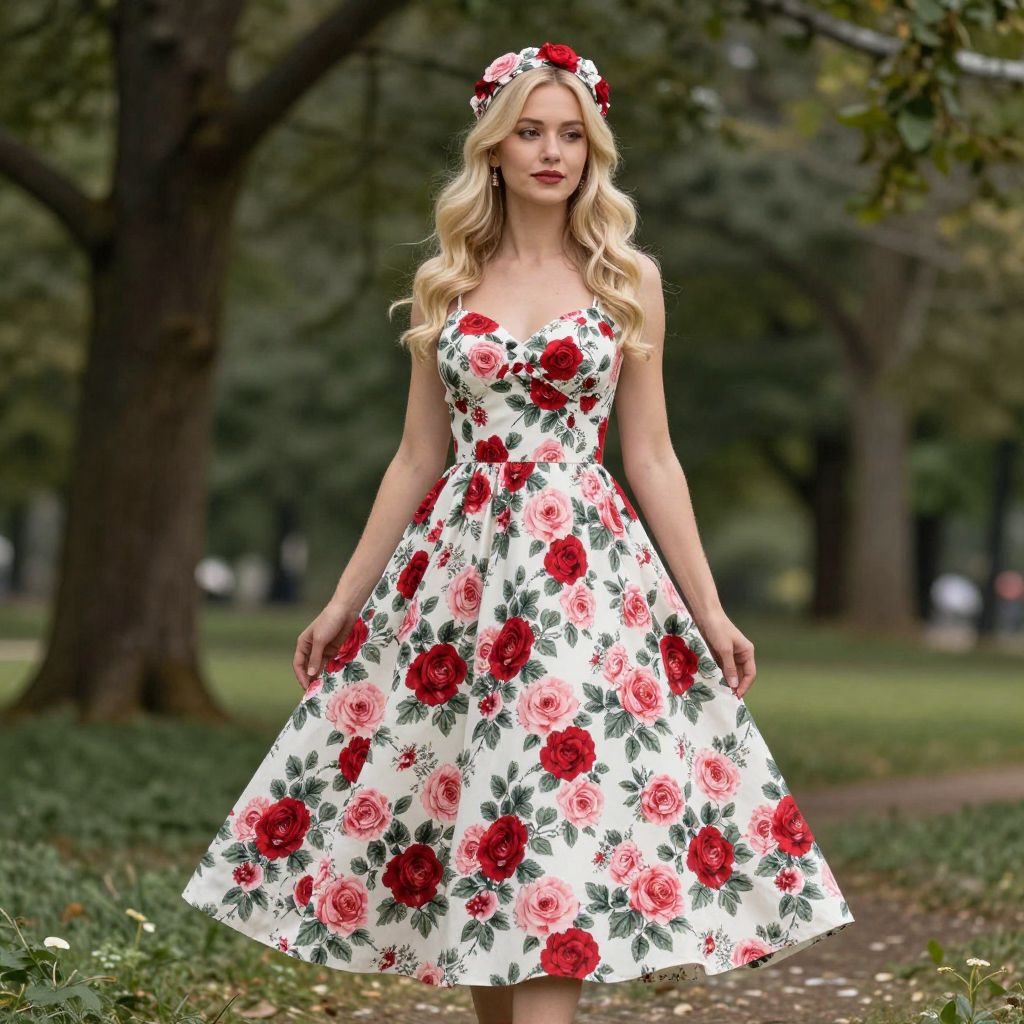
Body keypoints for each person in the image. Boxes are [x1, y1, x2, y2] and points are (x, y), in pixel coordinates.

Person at [181, 42, 854, 1024]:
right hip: (459, 584)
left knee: (547, 832)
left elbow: (652, 454)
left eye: (570, 134)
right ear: (492, 148)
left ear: (592, 147)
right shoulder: (445, 281)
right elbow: (415, 456)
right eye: (529, 132)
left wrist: (707, 608)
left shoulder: (628, 278)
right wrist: (343, 600)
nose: (551, 152)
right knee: (480, 832)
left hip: (580, 583)